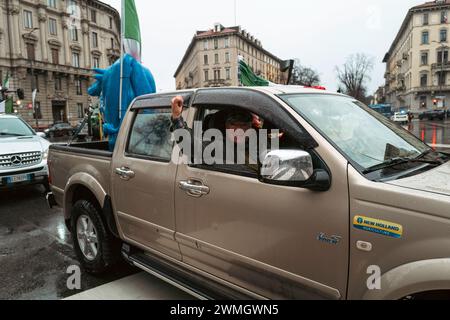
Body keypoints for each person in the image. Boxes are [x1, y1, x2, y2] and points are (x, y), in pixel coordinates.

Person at [170, 95, 259, 172]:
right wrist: (177, 119)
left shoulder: (259, 142)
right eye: (233, 124)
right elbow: (190, 145)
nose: (239, 129)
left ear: (250, 126)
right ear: (226, 126)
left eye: (243, 125)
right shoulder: (218, 146)